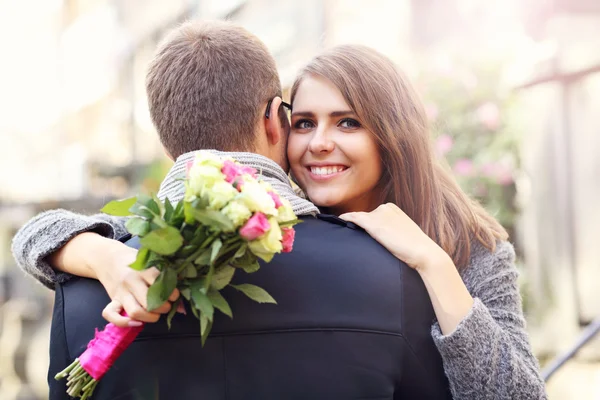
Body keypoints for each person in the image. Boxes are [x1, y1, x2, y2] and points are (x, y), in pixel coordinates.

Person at [12, 21, 452, 399]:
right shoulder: (391, 273)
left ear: (166, 134)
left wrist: (99, 255)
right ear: (273, 119)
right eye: (301, 121)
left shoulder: (87, 289)